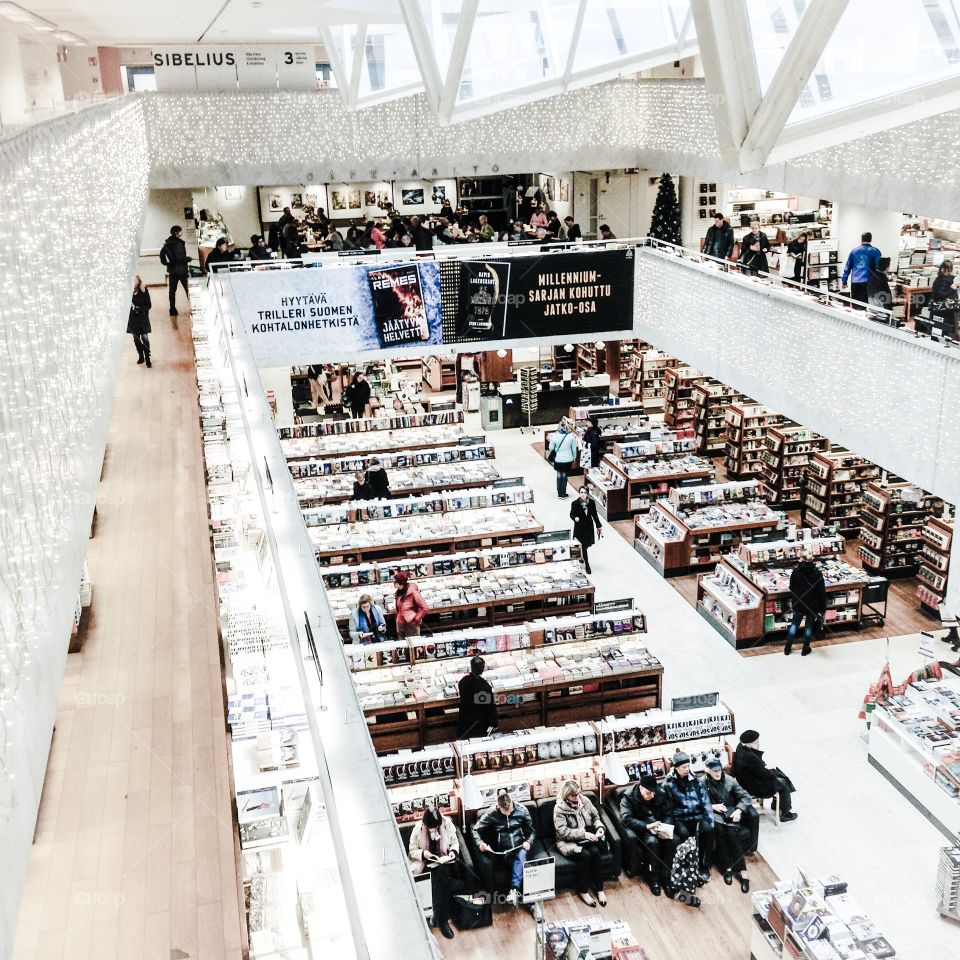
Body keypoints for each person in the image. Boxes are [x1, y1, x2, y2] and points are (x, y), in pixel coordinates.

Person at [661, 751, 715, 886]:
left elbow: (705, 801)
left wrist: (709, 818)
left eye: (687, 766)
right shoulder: (668, 784)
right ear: (676, 768)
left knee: (708, 829)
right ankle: (689, 865)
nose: (687, 769)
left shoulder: (696, 779)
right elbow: (668, 809)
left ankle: (704, 866)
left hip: (697, 815)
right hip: (680, 818)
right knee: (685, 835)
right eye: (683, 767)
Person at [701, 757, 756, 892]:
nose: (718, 773)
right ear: (708, 771)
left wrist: (739, 810)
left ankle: (742, 871)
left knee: (731, 833)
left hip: (728, 813)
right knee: (719, 830)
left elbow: (745, 797)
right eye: (714, 771)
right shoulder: (701, 783)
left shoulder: (730, 781)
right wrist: (712, 806)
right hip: (713, 815)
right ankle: (727, 868)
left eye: (719, 770)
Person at [408, 807, 463, 939]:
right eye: (430, 828)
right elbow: (411, 850)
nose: (433, 830)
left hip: (443, 862)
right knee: (437, 881)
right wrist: (423, 853)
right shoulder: (418, 829)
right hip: (425, 863)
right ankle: (436, 918)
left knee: (442, 878)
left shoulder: (447, 824)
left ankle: (442, 920)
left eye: (435, 827)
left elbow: (455, 842)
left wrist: (452, 852)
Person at [473, 792, 535, 907]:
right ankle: (530, 904)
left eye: (510, 809)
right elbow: (476, 829)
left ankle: (515, 890)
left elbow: (532, 832)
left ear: (512, 802)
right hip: (504, 851)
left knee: (521, 858)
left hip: (521, 846)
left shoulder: (522, 810)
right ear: (498, 806)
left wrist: (528, 842)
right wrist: (480, 843)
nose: (508, 812)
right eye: (504, 810)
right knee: (522, 866)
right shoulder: (492, 813)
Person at [553, 781, 608, 907]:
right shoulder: (559, 809)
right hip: (568, 841)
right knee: (585, 856)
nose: (577, 797)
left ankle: (600, 889)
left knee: (595, 853)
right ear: (566, 796)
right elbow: (562, 832)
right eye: (574, 796)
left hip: (586, 837)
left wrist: (599, 827)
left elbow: (596, 817)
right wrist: (583, 834)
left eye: (578, 794)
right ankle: (583, 891)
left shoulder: (585, 800)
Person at [619, 775, 671, 894]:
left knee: (673, 840)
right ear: (640, 788)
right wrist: (646, 826)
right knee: (652, 843)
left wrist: (665, 828)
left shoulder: (660, 793)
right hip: (643, 828)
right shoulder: (629, 796)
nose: (651, 796)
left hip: (659, 826)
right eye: (648, 793)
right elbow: (626, 818)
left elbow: (668, 813)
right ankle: (653, 879)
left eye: (653, 793)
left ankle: (666, 876)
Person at [732, 730, 797, 822]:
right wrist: (774, 773)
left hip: (745, 780)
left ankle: (777, 805)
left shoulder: (740, 747)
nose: (758, 744)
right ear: (749, 744)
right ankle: (785, 813)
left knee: (779, 776)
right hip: (754, 786)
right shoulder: (749, 757)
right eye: (756, 742)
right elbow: (764, 774)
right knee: (783, 782)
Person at [785, 555, 826, 656]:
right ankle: (805, 648)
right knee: (809, 626)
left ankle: (787, 648)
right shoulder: (817, 574)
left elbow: (791, 587)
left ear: (801, 560)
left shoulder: (796, 572)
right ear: (813, 562)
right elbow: (821, 592)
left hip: (798, 603)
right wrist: (823, 607)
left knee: (794, 625)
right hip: (812, 605)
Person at [457, 655, 498, 739]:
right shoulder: (483, 687)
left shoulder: (463, 681)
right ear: (482, 668)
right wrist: (494, 723)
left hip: (465, 722)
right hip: (479, 725)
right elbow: (488, 707)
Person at [841, 231, 881, 306]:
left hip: (855, 282)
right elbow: (879, 268)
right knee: (867, 305)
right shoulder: (875, 251)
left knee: (856, 305)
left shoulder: (854, 251)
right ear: (871, 239)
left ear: (861, 239)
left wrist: (844, 281)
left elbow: (848, 267)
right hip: (869, 283)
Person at [570, 486, 602, 575]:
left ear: (587, 493)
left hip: (588, 527)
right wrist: (575, 518)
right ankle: (587, 565)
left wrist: (598, 525)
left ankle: (581, 556)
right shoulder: (575, 503)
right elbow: (571, 514)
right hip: (579, 528)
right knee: (583, 546)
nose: (583, 494)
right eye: (581, 492)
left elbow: (594, 515)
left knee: (586, 545)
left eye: (584, 492)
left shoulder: (591, 503)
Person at [160, 225, 191, 316]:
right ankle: (193, 307)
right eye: (181, 231)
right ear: (177, 233)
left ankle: (172, 309)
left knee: (172, 291)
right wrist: (188, 258)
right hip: (181, 271)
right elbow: (180, 259)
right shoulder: (178, 244)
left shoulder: (168, 242)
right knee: (187, 289)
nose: (182, 232)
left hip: (172, 270)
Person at [548, 418, 579, 499]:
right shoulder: (571, 436)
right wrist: (574, 457)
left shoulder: (554, 436)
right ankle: (563, 493)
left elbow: (551, 447)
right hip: (568, 459)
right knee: (564, 475)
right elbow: (573, 449)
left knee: (559, 475)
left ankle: (559, 493)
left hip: (558, 459)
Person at [929, 259, 960, 338]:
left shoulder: (938, 279)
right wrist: (952, 289)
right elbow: (941, 294)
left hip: (936, 309)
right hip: (945, 310)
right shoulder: (946, 280)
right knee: (946, 329)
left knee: (937, 329)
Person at [393, 570, 429, 640]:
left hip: (411, 625)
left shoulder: (413, 592)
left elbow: (425, 608)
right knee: (403, 647)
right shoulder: (398, 592)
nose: (393, 583)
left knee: (413, 647)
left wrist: (416, 619)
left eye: (395, 582)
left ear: (401, 583)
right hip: (400, 624)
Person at [867, 256, 902, 321]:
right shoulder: (882, 281)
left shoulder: (872, 277)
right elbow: (887, 301)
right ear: (887, 268)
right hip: (881, 314)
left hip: (871, 310)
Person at [127, 276, 152, 368]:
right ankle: (141, 356)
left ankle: (148, 359)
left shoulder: (144, 291)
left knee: (145, 338)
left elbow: (149, 305)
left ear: (138, 282)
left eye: (135, 280)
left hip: (143, 318)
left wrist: (139, 309)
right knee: (136, 339)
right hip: (133, 319)